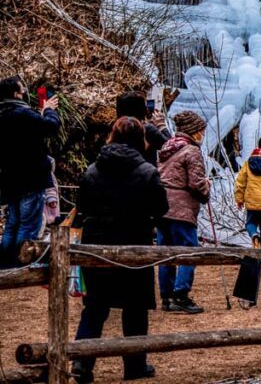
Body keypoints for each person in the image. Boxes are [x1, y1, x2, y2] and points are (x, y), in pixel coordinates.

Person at [72, 117, 168, 383]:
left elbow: (82, 205)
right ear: (141, 139)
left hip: (97, 245)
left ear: (112, 136)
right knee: (135, 307)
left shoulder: (92, 170)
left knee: (94, 306)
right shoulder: (147, 172)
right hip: (133, 242)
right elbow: (161, 208)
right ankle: (135, 364)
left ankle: (82, 362)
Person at [0, 76, 61, 267]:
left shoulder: (3, 113)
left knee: (13, 223)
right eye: (22, 90)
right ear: (15, 93)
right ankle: (22, 264)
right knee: (28, 223)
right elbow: (51, 127)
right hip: (30, 177)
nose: (25, 92)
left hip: (9, 177)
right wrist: (48, 111)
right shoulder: (22, 114)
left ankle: (5, 262)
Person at [156, 110, 209, 314]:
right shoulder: (191, 151)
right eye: (201, 131)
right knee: (189, 250)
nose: (202, 135)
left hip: (162, 206)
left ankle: (167, 296)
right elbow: (196, 183)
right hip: (182, 207)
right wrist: (207, 189)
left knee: (165, 252)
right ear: (194, 131)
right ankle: (181, 294)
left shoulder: (166, 148)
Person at [116, 91, 169, 166]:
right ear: (141, 109)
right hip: (145, 174)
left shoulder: (116, 129)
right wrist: (161, 125)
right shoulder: (147, 130)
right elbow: (172, 147)